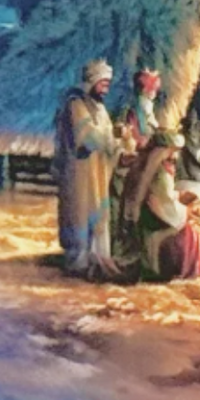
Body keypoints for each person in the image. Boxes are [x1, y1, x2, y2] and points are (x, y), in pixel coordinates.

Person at [53, 58, 121, 278]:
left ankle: (97, 260)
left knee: (98, 215)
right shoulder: (76, 104)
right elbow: (86, 138)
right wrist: (112, 138)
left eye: (108, 84)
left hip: (97, 171)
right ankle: (78, 264)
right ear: (92, 81)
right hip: (79, 173)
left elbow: (108, 136)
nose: (106, 88)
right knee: (80, 214)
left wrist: (118, 141)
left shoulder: (99, 107)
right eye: (103, 83)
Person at [129, 132, 200, 281]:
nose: (174, 156)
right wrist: (185, 207)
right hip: (155, 215)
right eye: (172, 151)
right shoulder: (158, 172)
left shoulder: (158, 167)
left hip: (158, 210)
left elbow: (165, 195)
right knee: (190, 231)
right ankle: (181, 270)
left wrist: (178, 196)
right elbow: (164, 200)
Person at [122, 68, 163, 151]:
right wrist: (155, 130)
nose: (155, 93)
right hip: (140, 139)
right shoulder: (142, 104)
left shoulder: (146, 103)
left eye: (155, 90)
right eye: (152, 90)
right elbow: (143, 127)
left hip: (145, 136)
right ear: (144, 90)